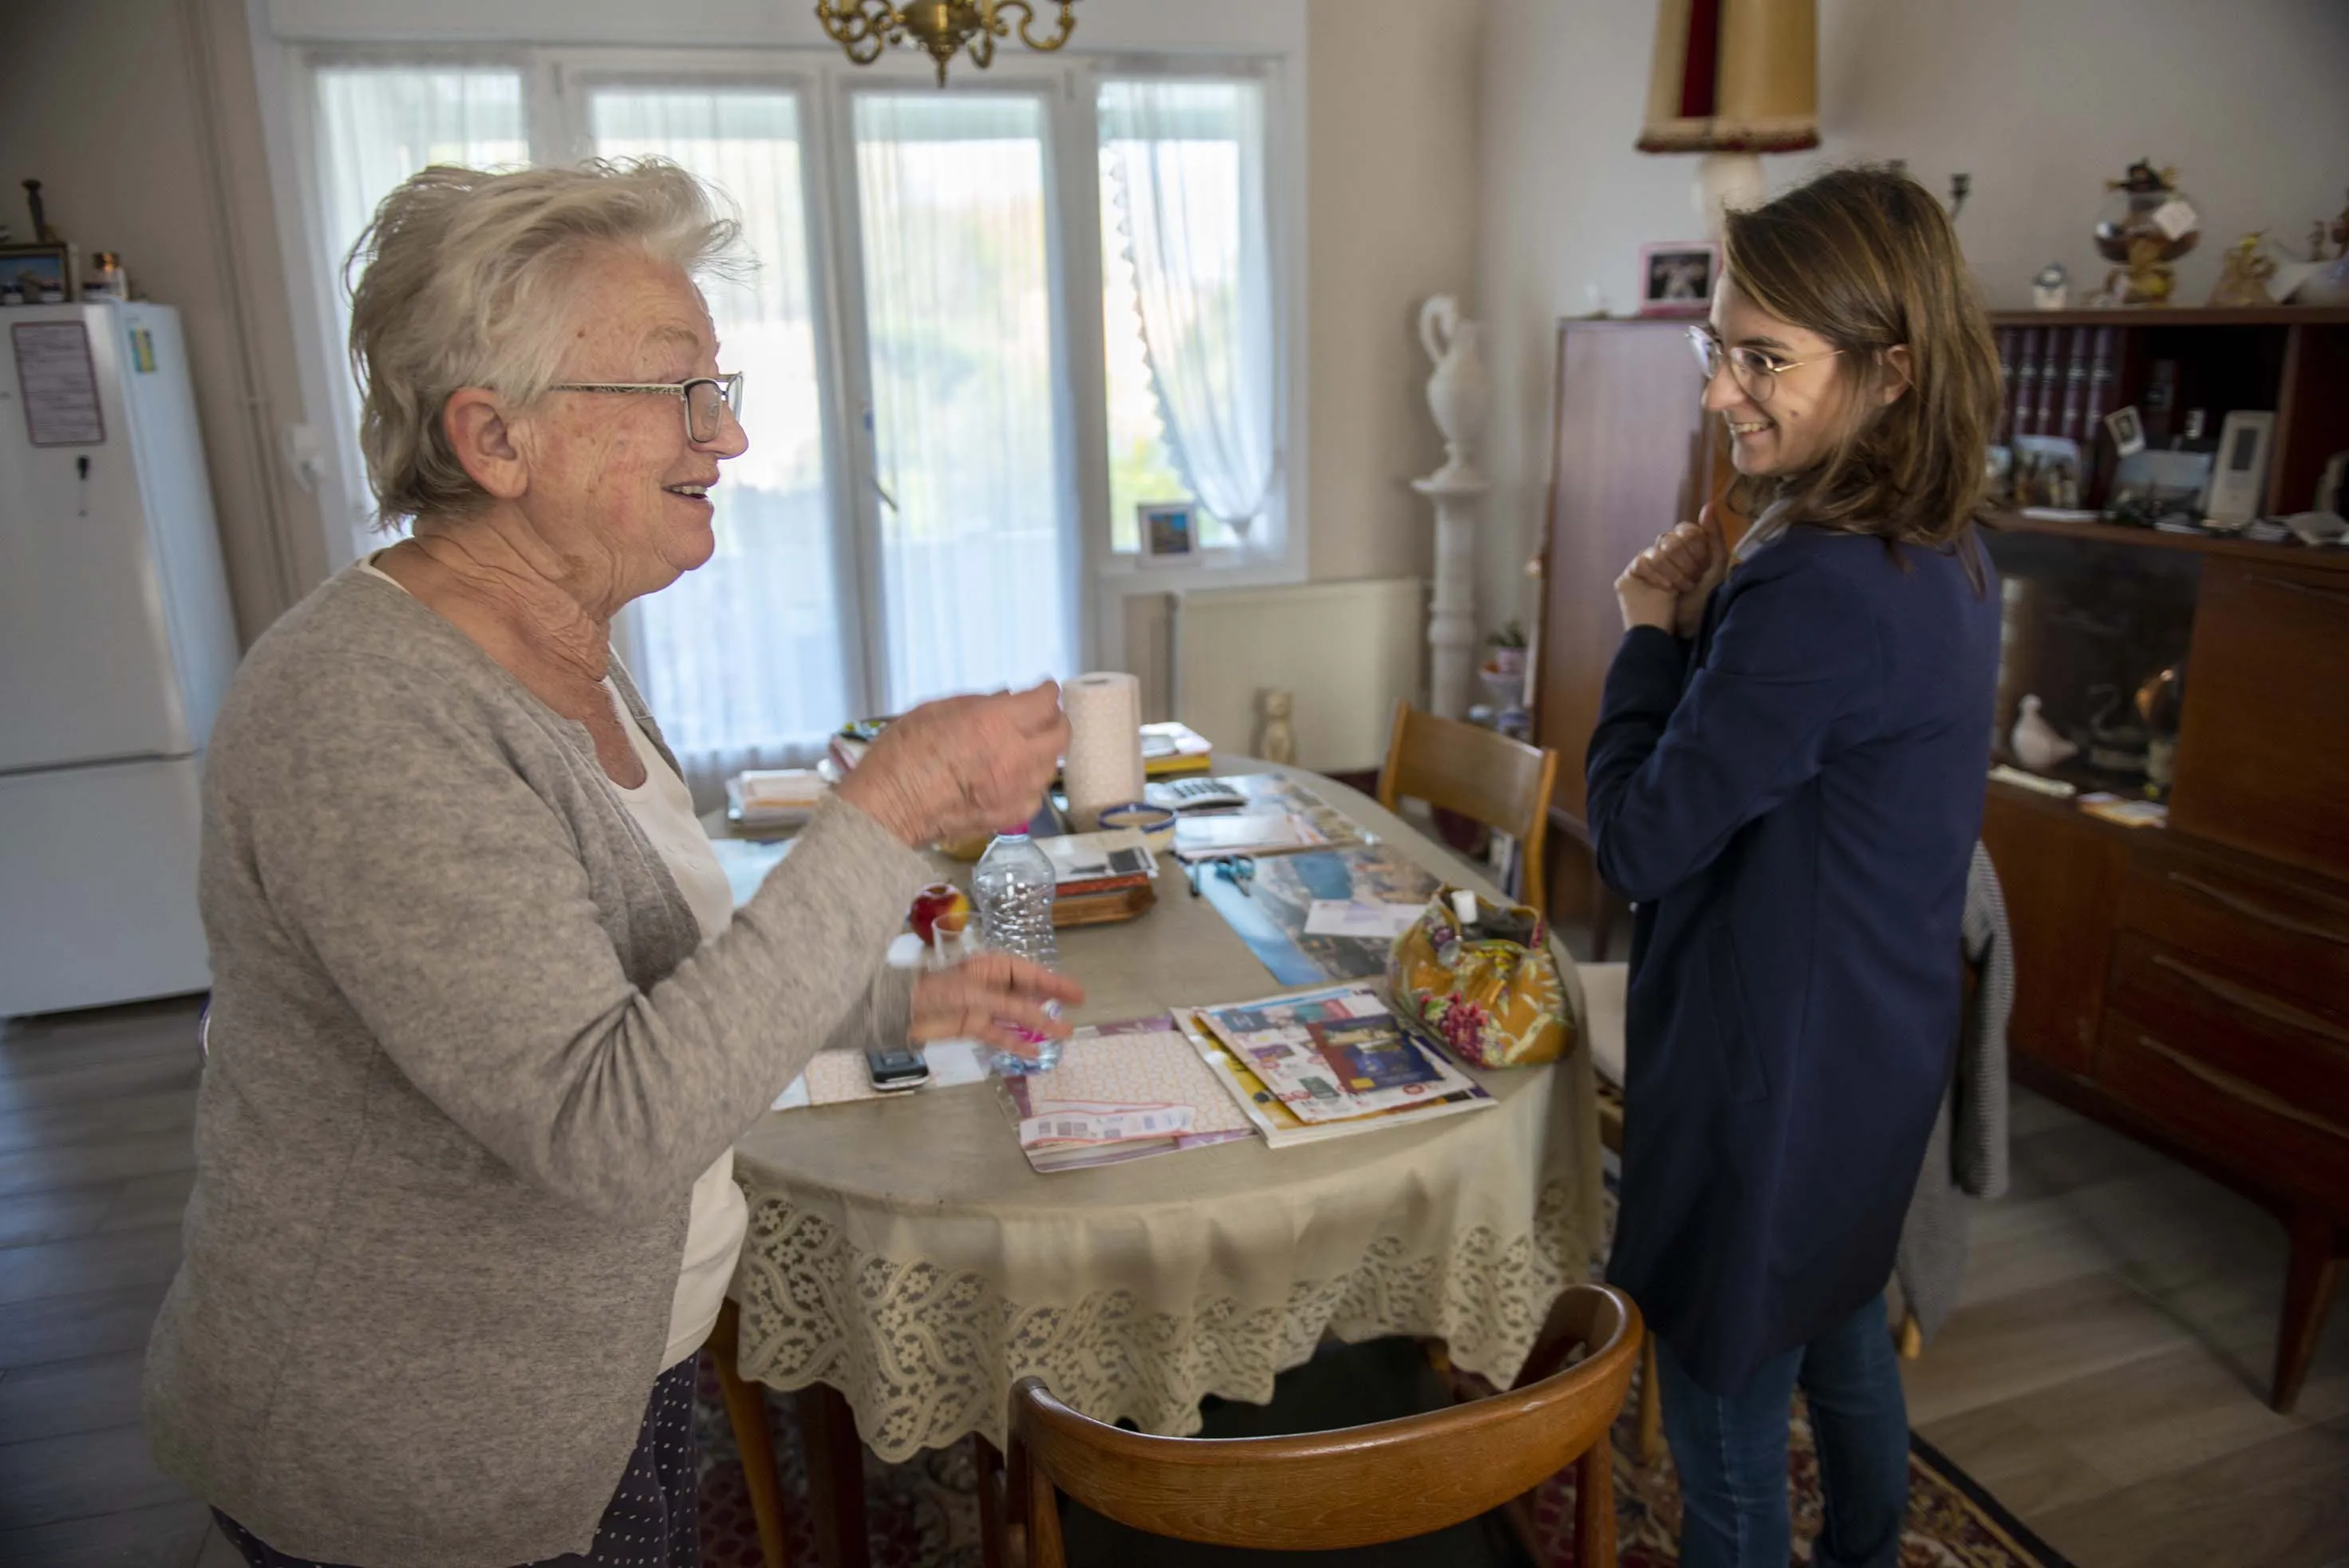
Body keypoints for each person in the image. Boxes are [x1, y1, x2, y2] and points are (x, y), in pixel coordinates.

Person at [143, 158, 1084, 1568]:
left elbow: (640, 1001)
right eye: (677, 391)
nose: (729, 438)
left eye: (721, 387)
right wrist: (889, 808)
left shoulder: (562, 651)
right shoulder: (367, 706)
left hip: (600, 1375)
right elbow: (604, 1124)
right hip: (418, 1450)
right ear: (494, 437)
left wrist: (889, 1002)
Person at [1584, 165, 2003, 1568]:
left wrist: (1648, 631)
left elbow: (1643, 838)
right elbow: (1796, 764)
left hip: (1768, 1082)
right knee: (1841, 1334)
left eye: (1764, 359)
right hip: (1875, 1057)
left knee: (1726, 1430)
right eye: (1721, 347)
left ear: (1890, 373)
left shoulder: (1816, 582)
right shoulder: (1943, 549)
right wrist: (1713, 628)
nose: (1720, 392)